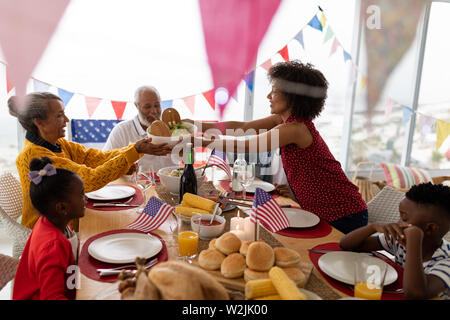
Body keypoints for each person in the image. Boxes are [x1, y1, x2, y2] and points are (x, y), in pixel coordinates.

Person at [189, 61, 367, 234]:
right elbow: (242, 128)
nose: (268, 96)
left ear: (292, 96)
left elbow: (246, 145)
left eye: (274, 91)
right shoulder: (286, 122)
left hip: (345, 214)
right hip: (325, 210)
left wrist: (202, 142)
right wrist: (196, 126)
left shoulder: (295, 129)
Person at [9, 92, 172, 229]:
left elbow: (96, 158)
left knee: (129, 224)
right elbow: (88, 179)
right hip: (49, 234)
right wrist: (133, 152)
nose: (66, 120)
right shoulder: (35, 156)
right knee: (128, 228)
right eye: (59, 115)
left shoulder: (57, 144)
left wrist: (135, 150)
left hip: (68, 222)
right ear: (39, 122)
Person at [340, 183, 450, 300]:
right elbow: (347, 245)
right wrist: (372, 227)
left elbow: (415, 294)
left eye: (404, 218)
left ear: (430, 228)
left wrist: (414, 238)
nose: (398, 222)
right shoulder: (400, 240)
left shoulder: (446, 261)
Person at [13, 157, 85, 300]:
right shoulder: (53, 246)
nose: (86, 198)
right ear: (62, 207)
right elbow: (52, 297)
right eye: (81, 194)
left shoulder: (55, 221)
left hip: (70, 285)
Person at [103, 86, 178, 172]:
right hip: (134, 184)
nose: (153, 111)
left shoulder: (173, 128)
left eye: (157, 105)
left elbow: (187, 160)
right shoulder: (122, 130)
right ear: (136, 106)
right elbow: (105, 163)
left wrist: (184, 150)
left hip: (169, 183)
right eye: (147, 107)